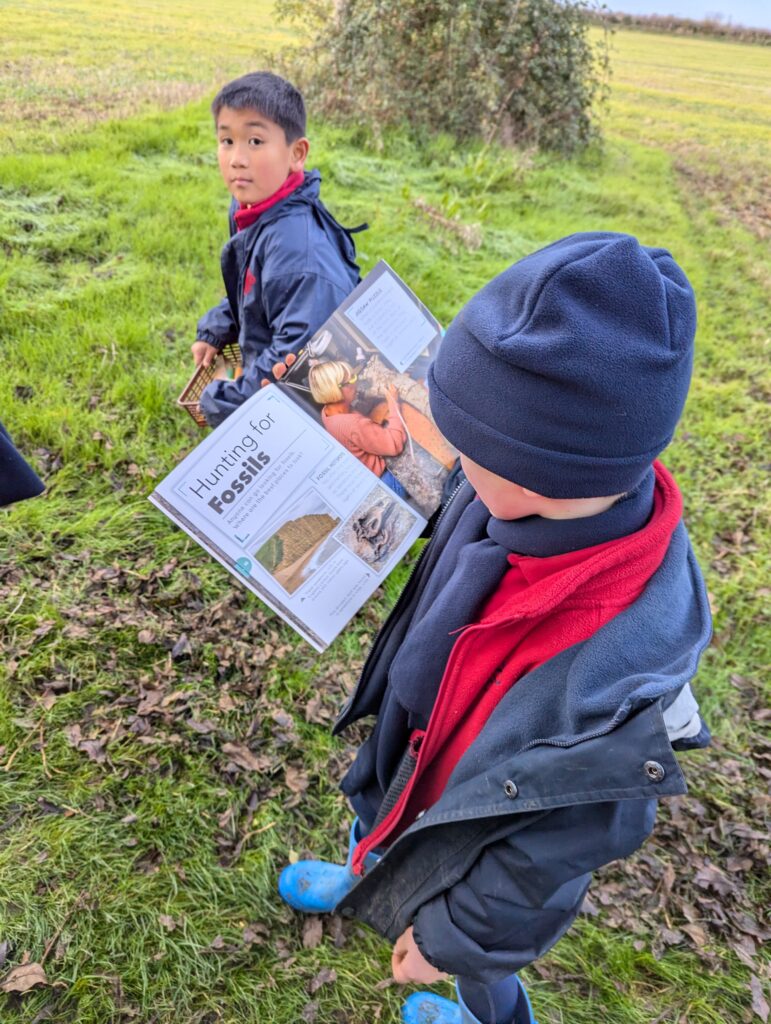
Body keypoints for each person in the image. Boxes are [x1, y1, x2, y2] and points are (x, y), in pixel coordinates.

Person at [277, 233, 713, 1024]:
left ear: (536, 471)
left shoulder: (620, 666)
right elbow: (452, 506)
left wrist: (452, 936)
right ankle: (368, 872)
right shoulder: (516, 494)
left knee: (466, 956)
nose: (448, 456)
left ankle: (490, 1010)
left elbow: (550, 849)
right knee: (379, 824)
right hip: (415, 755)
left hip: (473, 849)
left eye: (465, 445)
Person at [192, 71, 361, 428]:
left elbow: (300, 358)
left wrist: (226, 400)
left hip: (313, 403)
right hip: (274, 372)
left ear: (296, 153)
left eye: (254, 141)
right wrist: (217, 328)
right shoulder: (252, 208)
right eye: (226, 141)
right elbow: (254, 289)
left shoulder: (298, 252)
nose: (237, 158)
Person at [307, 359, 408, 497]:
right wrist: (393, 404)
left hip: (368, 482)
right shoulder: (352, 424)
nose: (356, 382)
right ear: (337, 389)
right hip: (387, 483)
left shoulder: (327, 412)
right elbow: (395, 444)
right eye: (352, 379)